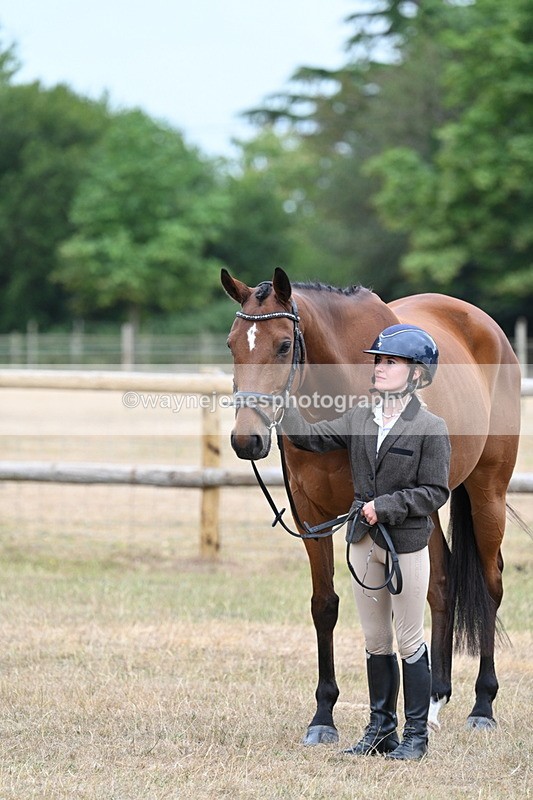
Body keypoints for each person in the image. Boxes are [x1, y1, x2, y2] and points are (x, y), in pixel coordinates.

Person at [280, 324, 451, 760]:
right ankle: (381, 730)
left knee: (409, 640)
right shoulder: (360, 416)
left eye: (390, 362)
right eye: (378, 361)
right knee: (375, 640)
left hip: (405, 544)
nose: (379, 367)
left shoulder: (430, 427)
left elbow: (435, 492)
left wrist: (386, 506)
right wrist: (280, 400)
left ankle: (416, 736)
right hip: (362, 542)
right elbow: (311, 437)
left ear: (416, 374)